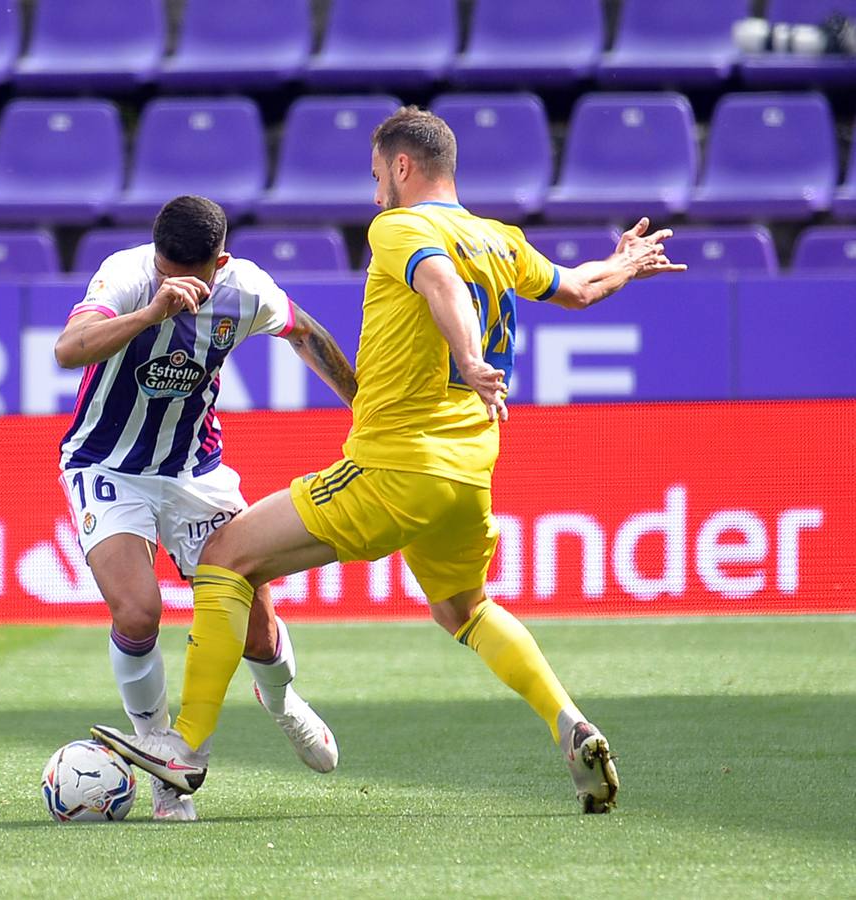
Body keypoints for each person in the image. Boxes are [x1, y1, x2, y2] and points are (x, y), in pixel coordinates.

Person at [93, 107, 686, 814]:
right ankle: (570, 724)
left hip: (394, 466)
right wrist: (621, 261)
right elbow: (578, 288)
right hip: (468, 474)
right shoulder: (499, 240)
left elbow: (437, 284)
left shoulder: (403, 228)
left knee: (223, 557)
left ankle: (184, 748)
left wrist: (467, 355)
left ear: (403, 166)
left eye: (378, 175)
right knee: (464, 608)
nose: (375, 193)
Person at [55, 195, 358, 820]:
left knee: (258, 629)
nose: (176, 283)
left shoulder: (245, 288)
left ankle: (282, 703)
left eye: (189, 275)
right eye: (166, 270)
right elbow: (69, 349)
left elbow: (304, 333)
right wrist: (149, 311)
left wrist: (366, 407)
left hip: (197, 473)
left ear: (221, 261)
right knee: (138, 612)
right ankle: (163, 762)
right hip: (108, 465)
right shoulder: (128, 274)